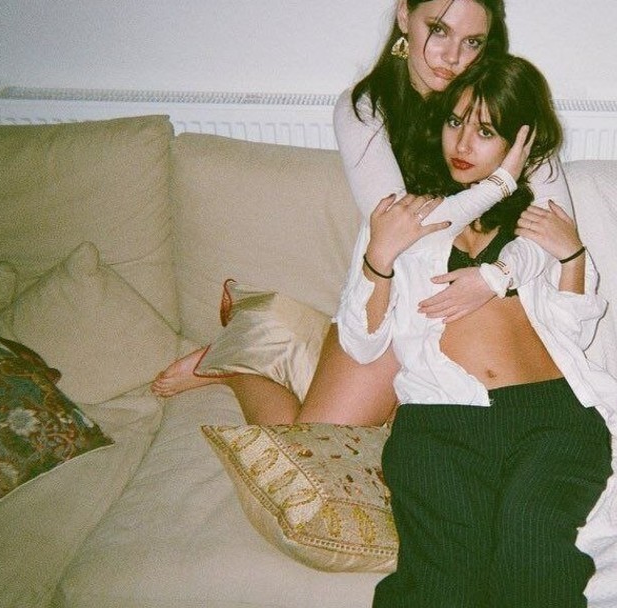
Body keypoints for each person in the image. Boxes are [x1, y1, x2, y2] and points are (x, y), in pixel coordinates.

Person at [150, 0, 574, 428]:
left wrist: (497, 276)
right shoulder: (365, 109)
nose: (453, 57)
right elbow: (403, 231)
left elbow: (558, 227)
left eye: (472, 42)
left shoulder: (505, 103)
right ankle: (243, 362)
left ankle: (293, 339)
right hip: (396, 302)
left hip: (476, 312)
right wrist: (500, 184)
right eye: (439, 30)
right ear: (404, 15)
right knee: (308, 448)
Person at [338, 54, 617, 608]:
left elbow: (573, 332)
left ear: (517, 142)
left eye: (485, 131)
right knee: (445, 586)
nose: (462, 143)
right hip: (441, 423)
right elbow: (362, 341)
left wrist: (573, 256)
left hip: (552, 420)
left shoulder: (534, 220)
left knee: (532, 551)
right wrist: (379, 256)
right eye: (455, 122)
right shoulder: (407, 216)